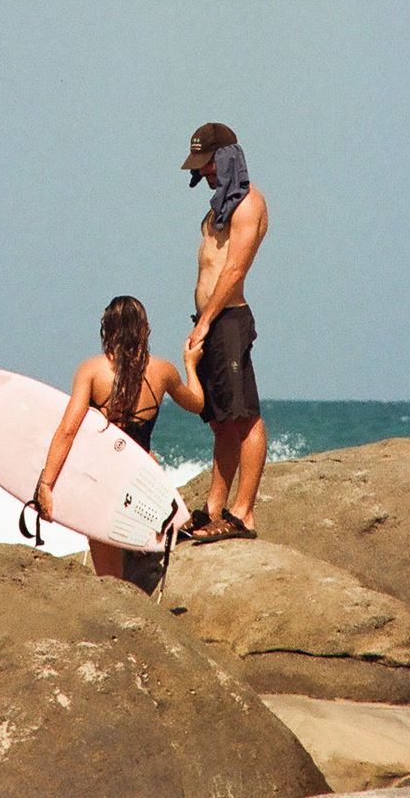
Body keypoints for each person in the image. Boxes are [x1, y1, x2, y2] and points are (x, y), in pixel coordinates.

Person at [35, 295, 204, 578]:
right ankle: (138, 543)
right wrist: (190, 364)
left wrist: (46, 484)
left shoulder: (92, 370)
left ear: (107, 330)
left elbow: (68, 430)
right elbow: (197, 403)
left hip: (104, 481)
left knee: (110, 579)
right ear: (145, 330)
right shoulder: (163, 370)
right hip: (143, 481)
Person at [181, 122, 269, 542]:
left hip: (228, 320)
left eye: (209, 163)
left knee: (245, 417)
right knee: (221, 422)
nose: (204, 172)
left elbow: (233, 271)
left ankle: (242, 513)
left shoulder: (248, 205)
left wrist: (205, 322)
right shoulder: (218, 207)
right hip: (211, 322)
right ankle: (214, 508)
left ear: (227, 158)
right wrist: (202, 321)